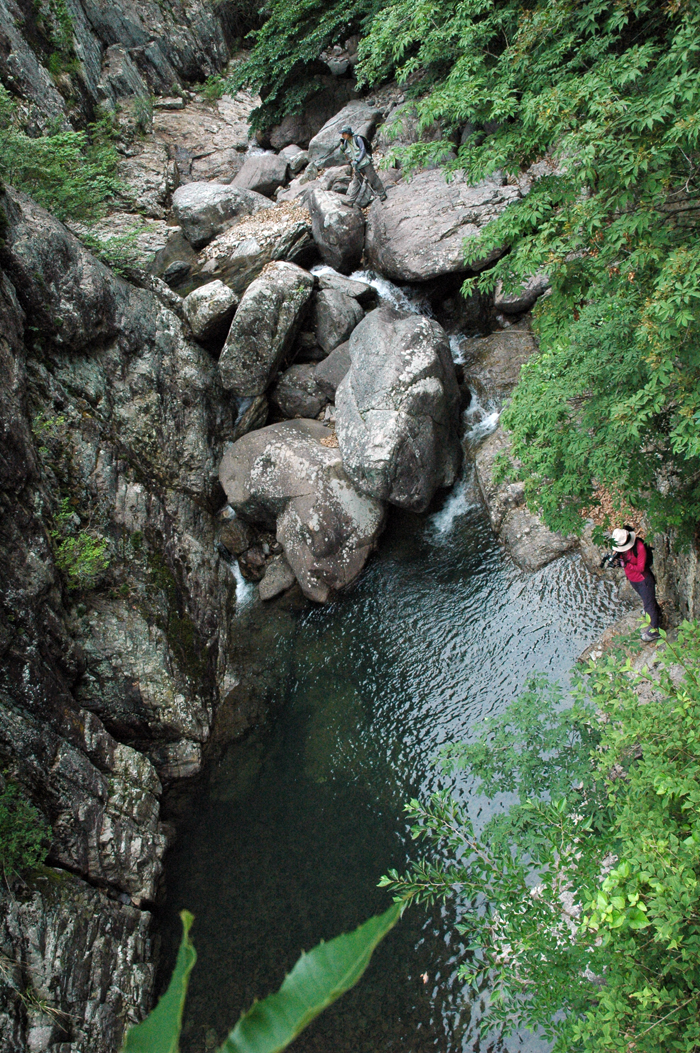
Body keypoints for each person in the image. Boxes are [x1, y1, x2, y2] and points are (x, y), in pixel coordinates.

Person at [610, 527, 661, 642]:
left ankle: (655, 630)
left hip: (644, 580)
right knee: (647, 600)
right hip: (633, 579)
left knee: (648, 605)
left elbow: (641, 567)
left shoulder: (639, 547)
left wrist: (625, 565)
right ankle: (656, 614)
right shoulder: (622, 549)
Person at [339, 126, 387, 205]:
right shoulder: (345, 143)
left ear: (348, 133)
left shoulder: (357, 139)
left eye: (344, 134)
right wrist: (342, 147)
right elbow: (342, 153)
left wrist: (358, 160)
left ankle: (382, 194)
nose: (342, 136)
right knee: (356, 183)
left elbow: (363, 150)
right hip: (357, 166)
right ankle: (351, 201)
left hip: (365, 163)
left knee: (373, 179)